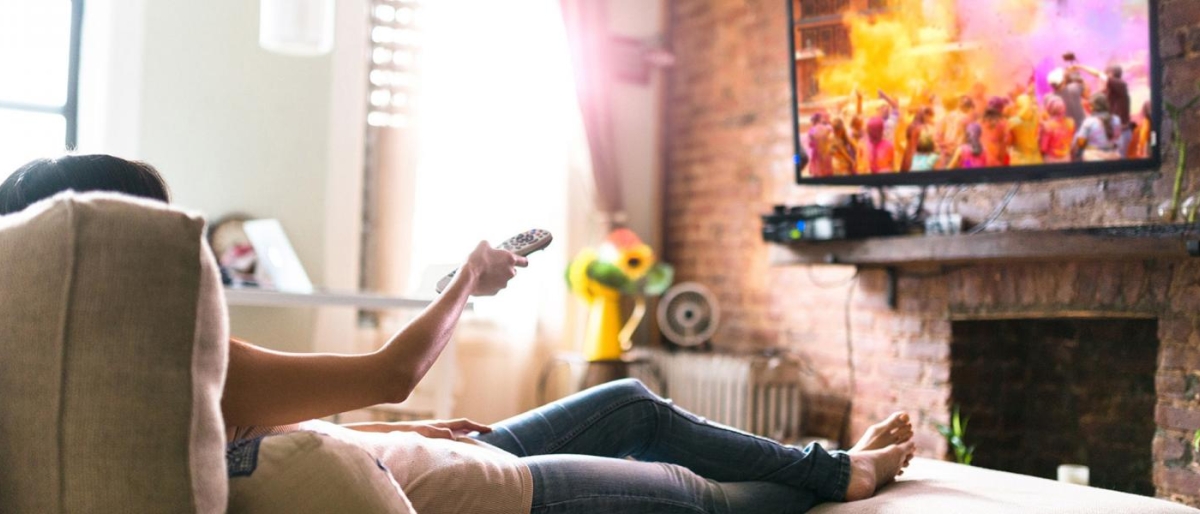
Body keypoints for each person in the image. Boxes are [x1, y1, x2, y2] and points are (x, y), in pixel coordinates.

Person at [1, 154, 917, 514]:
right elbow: (397, 367)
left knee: (631, 401)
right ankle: (843, 474)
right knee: (686, 493)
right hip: (475, 493)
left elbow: (249, 443)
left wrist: (383, 435)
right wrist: (470, 283)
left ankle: (829, 463)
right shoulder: (174, 368)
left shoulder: (107, 401)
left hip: (411, 458)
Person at [1074, 93, 1123, 162]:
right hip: (1113, 157)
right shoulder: (1116, 119)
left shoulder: (1089, 121)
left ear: (1093, 107)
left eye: (1090, 106)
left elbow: (1081, 142)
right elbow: (1119, 142)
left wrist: (1079, 152)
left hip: (1093, 158)